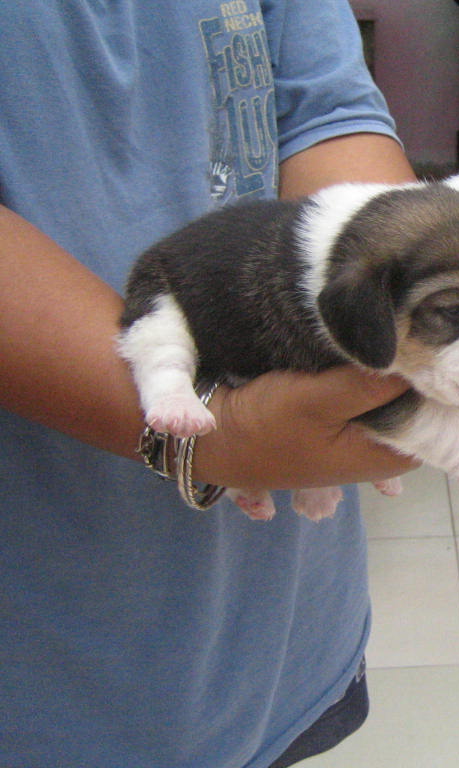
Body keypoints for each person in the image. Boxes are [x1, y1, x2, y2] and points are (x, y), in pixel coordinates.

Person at [0, 2, 422, 766]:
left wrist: (402, 305)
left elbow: (326, 111)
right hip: (49, 673)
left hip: (283, 635)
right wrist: (218, 434)